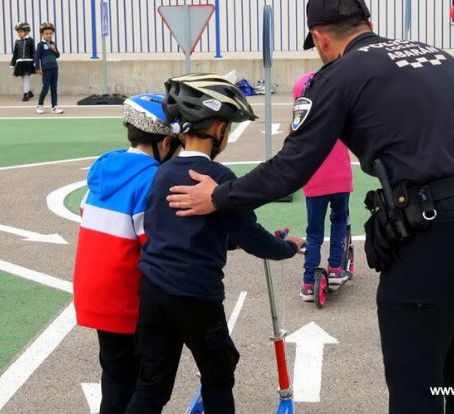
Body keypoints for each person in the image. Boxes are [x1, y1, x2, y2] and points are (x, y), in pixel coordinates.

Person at [166, 0, 454, 414]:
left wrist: (219, 197)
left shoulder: (339, 75)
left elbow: (291, 168)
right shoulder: (439, 57)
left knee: (417, 382)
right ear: (368, 24)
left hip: (436, 226)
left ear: (320, 39)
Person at [125, 74, 305, 414]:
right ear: (220, 130)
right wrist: (288, 247)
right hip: (195, 295)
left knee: (152, 385)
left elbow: (171, 229)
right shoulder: (219, 180)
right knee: (218, 374)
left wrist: (228, 242)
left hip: (152, 290)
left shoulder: (161, 172)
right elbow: (251, 238)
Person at [73, 93, 180, 414]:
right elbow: (156, 245)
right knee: (143, 386)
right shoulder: (151, 181)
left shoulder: (105, 170)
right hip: (126, 299)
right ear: (163, 143)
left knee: (116, 379)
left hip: (96, 294)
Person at [291, 71, 354, 301]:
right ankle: (336, 268)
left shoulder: (300, 125)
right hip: (340, 179)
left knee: (314, 231)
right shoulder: (339, 115)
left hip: (315, 181)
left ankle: (309, 282)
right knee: (339, 220)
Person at [34, 21, 63, 114]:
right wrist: (38, 68)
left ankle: (54, 107)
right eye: (46, 33)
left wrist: (54, 50)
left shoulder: (53, 43)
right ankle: (39, 105)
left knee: (54, 89)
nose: (49, 35)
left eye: (51, 33)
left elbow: (58, 55)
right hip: (46, 70)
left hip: (55, 68)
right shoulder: (40, 45)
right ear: (42, 34)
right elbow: (37, 57)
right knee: (45, 88)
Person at [10, 21, 36, 102]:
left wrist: (35, 62)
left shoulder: (30, 40)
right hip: (20, 62)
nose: (19, 33)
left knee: (26, 78)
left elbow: (33, 52)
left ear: (27, 31)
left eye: (21, 31)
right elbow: (15, 53)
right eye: (18, 31)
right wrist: (13, 63)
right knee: (23, 78)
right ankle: (29, 92)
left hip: (28, 62)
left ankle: (26, 94)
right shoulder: (17, 41)